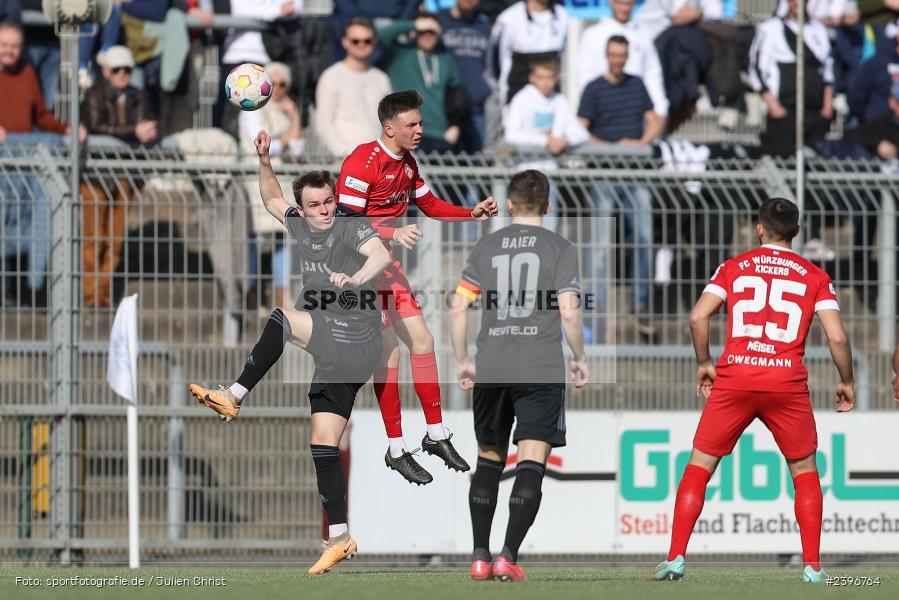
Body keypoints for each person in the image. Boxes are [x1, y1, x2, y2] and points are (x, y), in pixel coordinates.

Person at [188, 130, 391, 576]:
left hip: (357, 336)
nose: (325, 210)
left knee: (282, 317)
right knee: (323, 444)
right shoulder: (298, 221)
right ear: (303, 208)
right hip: (334, 352)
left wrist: (357, 279)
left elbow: (379, 254)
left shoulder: (349, 225)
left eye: (329, 201)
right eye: (315, 205)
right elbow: (271, 199)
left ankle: (234, 395)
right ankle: (340, 538)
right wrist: (265, 161)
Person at [653, 197, 855, 583]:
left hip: (736, 378)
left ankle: (675, 558)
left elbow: (698, 316)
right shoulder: (815, 276)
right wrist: (847, 381)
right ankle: (812, 567)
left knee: (698, 467)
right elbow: (838, 338)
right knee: (805, 473)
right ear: (797, 231)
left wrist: (704, 362)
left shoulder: (733, 267)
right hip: (786, 382)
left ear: (758, 229)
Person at [335, 89, 498, 484]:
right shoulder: (362, 162)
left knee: (423, 342)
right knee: (389, 353)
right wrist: (392, 231)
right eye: (412, 124)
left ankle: (436, 434)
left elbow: (429, 204)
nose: (421, 130)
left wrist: (471, 213)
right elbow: (344, 224)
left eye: (421, 123)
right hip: (356, 274)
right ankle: (396, 448)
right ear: (389, 128)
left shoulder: (408, 163)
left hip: (385, 269)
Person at [449, 169, 588, 582]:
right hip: (540, 367)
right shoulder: (561, 248)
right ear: (548, 206)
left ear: (508, 205)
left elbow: (457, 307)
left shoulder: (486, 246)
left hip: (492, 364)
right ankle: (507, 555)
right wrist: (580, 356)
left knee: (488, 460)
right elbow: (569, 311)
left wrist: (462, 359)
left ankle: (479, 556)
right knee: (531, 461)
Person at [578, 35, 661, 339]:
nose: (618, 60)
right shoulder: (594, 88)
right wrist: (611, 148)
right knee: (601, 244)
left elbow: (654, 120)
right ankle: (598, 306)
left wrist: (640, 143)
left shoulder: (637, 85)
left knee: (645, 237)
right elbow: (580, 129)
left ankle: (641, 304)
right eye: (614, 55)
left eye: (622, 55)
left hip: (634, 172)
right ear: (606, 55)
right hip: (605, 173)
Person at [80, 45, 156, 309]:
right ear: (105, 72)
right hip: (96, 175)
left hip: (125, 176)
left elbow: (151, 125)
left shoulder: (139, 95)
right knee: (93, 238)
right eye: (117, 70)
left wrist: (149, 132)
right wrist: (134, 132)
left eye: (127, 69)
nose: (122, 74)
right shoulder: (93, 94)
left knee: (115, 240)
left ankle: (103, 294)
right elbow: (95, 126)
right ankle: (91, 295)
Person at [239, 62, 304, 312]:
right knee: (256, 237)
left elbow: (296, 150)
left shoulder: (285, 110)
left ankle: (280, 296)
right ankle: (252, 294)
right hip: (256, 177)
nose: (277, 89)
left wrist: (295, 115)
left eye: (282, 84)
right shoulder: (251, 108)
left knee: (283, 236)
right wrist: (286, 141)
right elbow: (264, 145)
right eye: (272, 83)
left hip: (283, 179)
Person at [749, 0, 835, 157]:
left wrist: (827, 106)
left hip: (815, 111)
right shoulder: (770, 28)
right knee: (782, 157)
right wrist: (774, 106)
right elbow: (756, 68)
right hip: (785, 110)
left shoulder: (818, 29)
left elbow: (827, 70)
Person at [377, 13, 464, 153]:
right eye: (422, 31)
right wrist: (414, 25)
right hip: (406, 132)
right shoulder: (399, 54)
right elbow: (378, 36)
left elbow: (457, 97)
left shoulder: (445, 58)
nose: (427, 35)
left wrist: (456, 125)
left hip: (440, 134)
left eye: (431, 31)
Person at [576, 0, 668, 122]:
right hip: (603, 115)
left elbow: (652, 74)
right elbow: (585, 76)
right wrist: (590, 110)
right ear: (611, 2)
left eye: (628, 4)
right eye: (620, 3)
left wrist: (660, 109)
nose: (624, 8)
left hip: (636, 114)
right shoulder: (592, 35)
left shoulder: (642, 34)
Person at [315, 18, 392, 159]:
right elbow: (324, 125)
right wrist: (345, 154)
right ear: (345, 42)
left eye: (367, 40)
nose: (361, 44)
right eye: (355, 41)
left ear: (374, 42)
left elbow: (390, 121)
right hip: (346, 161)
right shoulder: (331, 76)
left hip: (379, 161)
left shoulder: (381, 78)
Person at [437, 0, 492, 152]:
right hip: (445, 108)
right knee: (439, 158)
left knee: (478, 159)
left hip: (477, 107)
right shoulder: (440, 19)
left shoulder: (483, 25)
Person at [491, 0, 568, 105]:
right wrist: (503, 94)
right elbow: (498, 61)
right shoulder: (508, 18)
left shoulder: (563, 15)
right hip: (516, 95)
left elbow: (563, 57)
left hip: (551, 99)